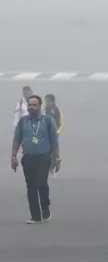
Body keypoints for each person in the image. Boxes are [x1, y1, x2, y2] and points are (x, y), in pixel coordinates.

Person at [11, 95, 61, 224]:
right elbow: (16, 141)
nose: (31, 107)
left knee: (41, 183)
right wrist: (13, 157)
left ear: (40, 106)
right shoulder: (23, 122)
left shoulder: (48, 121)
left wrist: (57, 158)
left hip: (44, 158)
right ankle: (36, 216)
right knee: (31, 187)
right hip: (28, 159)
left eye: (34, 105)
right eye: (29, 105)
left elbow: (54, 142)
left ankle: (45, 206)